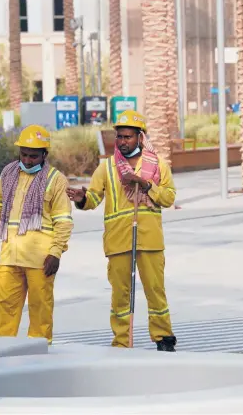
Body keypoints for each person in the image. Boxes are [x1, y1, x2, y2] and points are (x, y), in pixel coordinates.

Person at [66, 110, 177, 351]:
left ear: (140, 137)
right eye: (120, 137)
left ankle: (163, 338)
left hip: (149, 240)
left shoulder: (158, 165)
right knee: (120, 297)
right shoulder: (107, 168)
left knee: (155, 292)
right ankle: (121, 342)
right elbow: (93, 198)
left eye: (128, 137)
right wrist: (81, 198)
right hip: (118, 241)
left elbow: (169, 198)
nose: (123, 142)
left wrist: (146, 185)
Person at [0, 125, 74, 345]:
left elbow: (63, 221)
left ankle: (40, 358)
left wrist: (56, 253)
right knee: (5, 309)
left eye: (33, 156)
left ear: (45, 154)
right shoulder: (8, 173)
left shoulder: (56, 179)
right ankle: (2, 355)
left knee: (40, 312)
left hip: (40, 259)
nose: (27, 160)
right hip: (9, 255)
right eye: (23, 154)